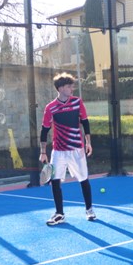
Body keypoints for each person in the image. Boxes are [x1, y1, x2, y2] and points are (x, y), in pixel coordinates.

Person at [39, 72, 95, 226]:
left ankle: (89, 209)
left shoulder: (78, 102)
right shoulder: (50, 108)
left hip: (77, 149)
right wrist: (43, 152)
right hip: (58, 151)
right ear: (61, 88)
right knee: (55, 180)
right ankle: (59, 214)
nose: (72, 89)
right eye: (69, 86)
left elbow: (85, 122)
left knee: (83, 179)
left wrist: (88, 142)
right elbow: (44, 130)